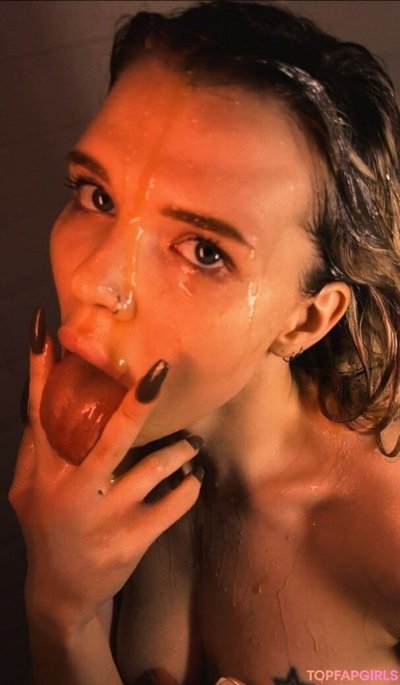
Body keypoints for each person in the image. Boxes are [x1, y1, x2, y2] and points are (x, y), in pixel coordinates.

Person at [8, 1, 400, 684]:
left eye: (204, 251)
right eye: (97, 196)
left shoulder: (385, 529)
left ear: (307, 320)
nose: (96, 280)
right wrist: (63, 614)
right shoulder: (75, 461)